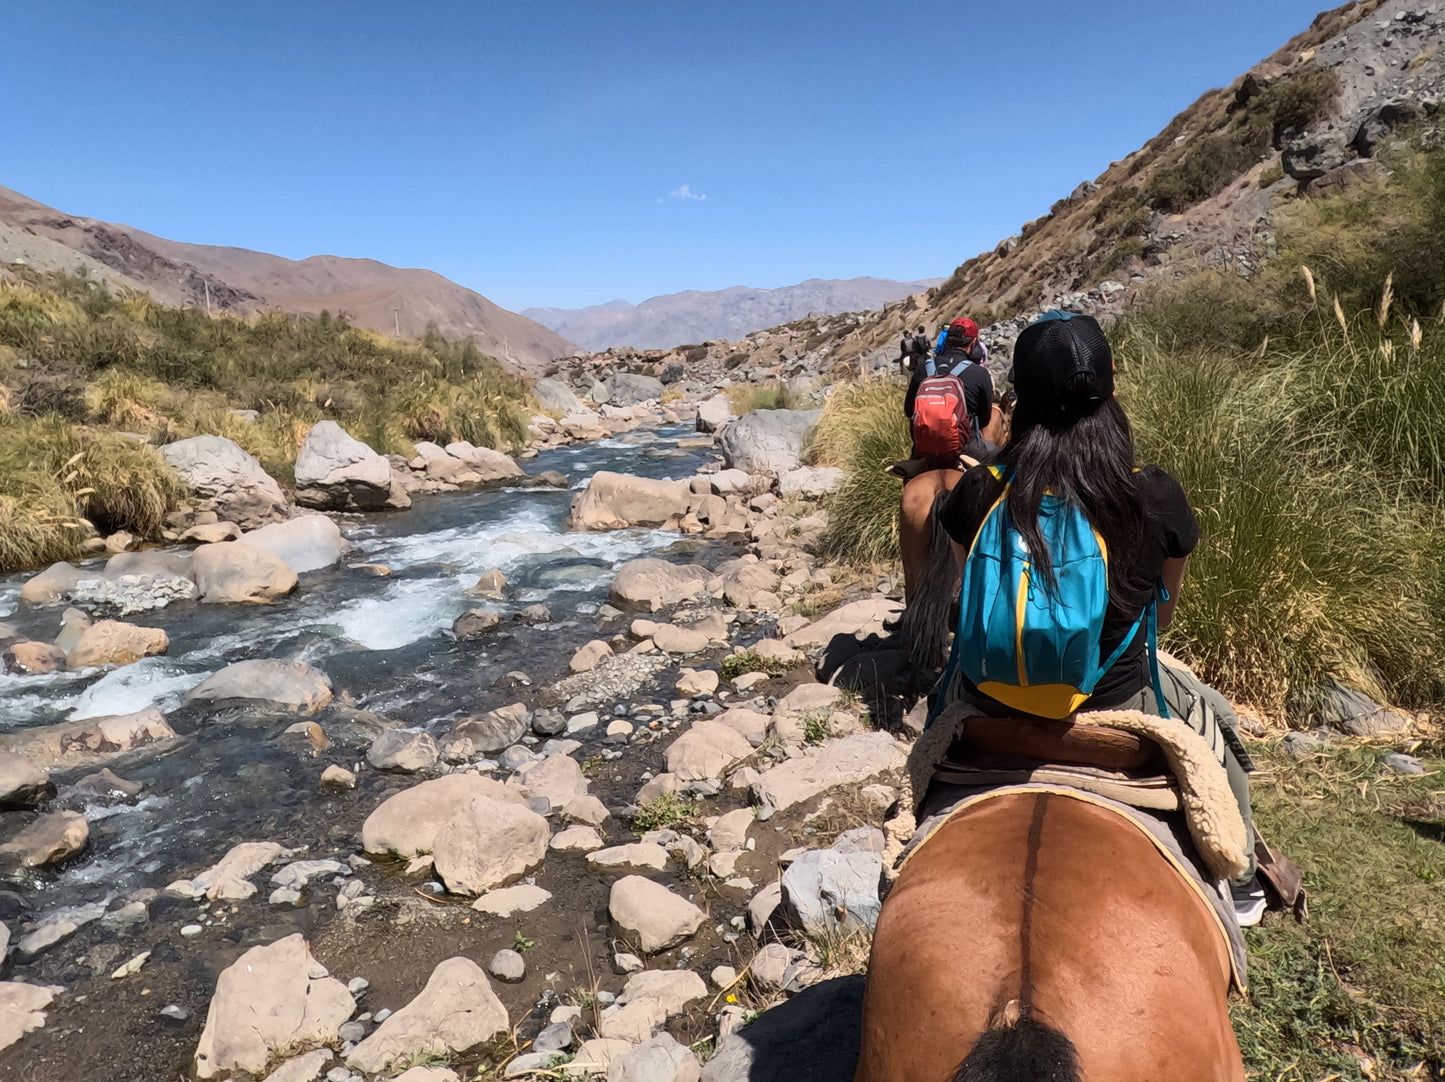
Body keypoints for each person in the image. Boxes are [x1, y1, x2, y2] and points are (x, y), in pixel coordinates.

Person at [932, 311, 1265, 925]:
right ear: (1110, 387)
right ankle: (1242, 879)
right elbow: (1166, 603)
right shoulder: (1153, 494)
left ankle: (911, 824)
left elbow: (968, 594)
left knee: (934, 722)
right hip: (1117, 695)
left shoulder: (978, 492)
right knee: (1211, 720)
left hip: (989, 697)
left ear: (1016, 399)